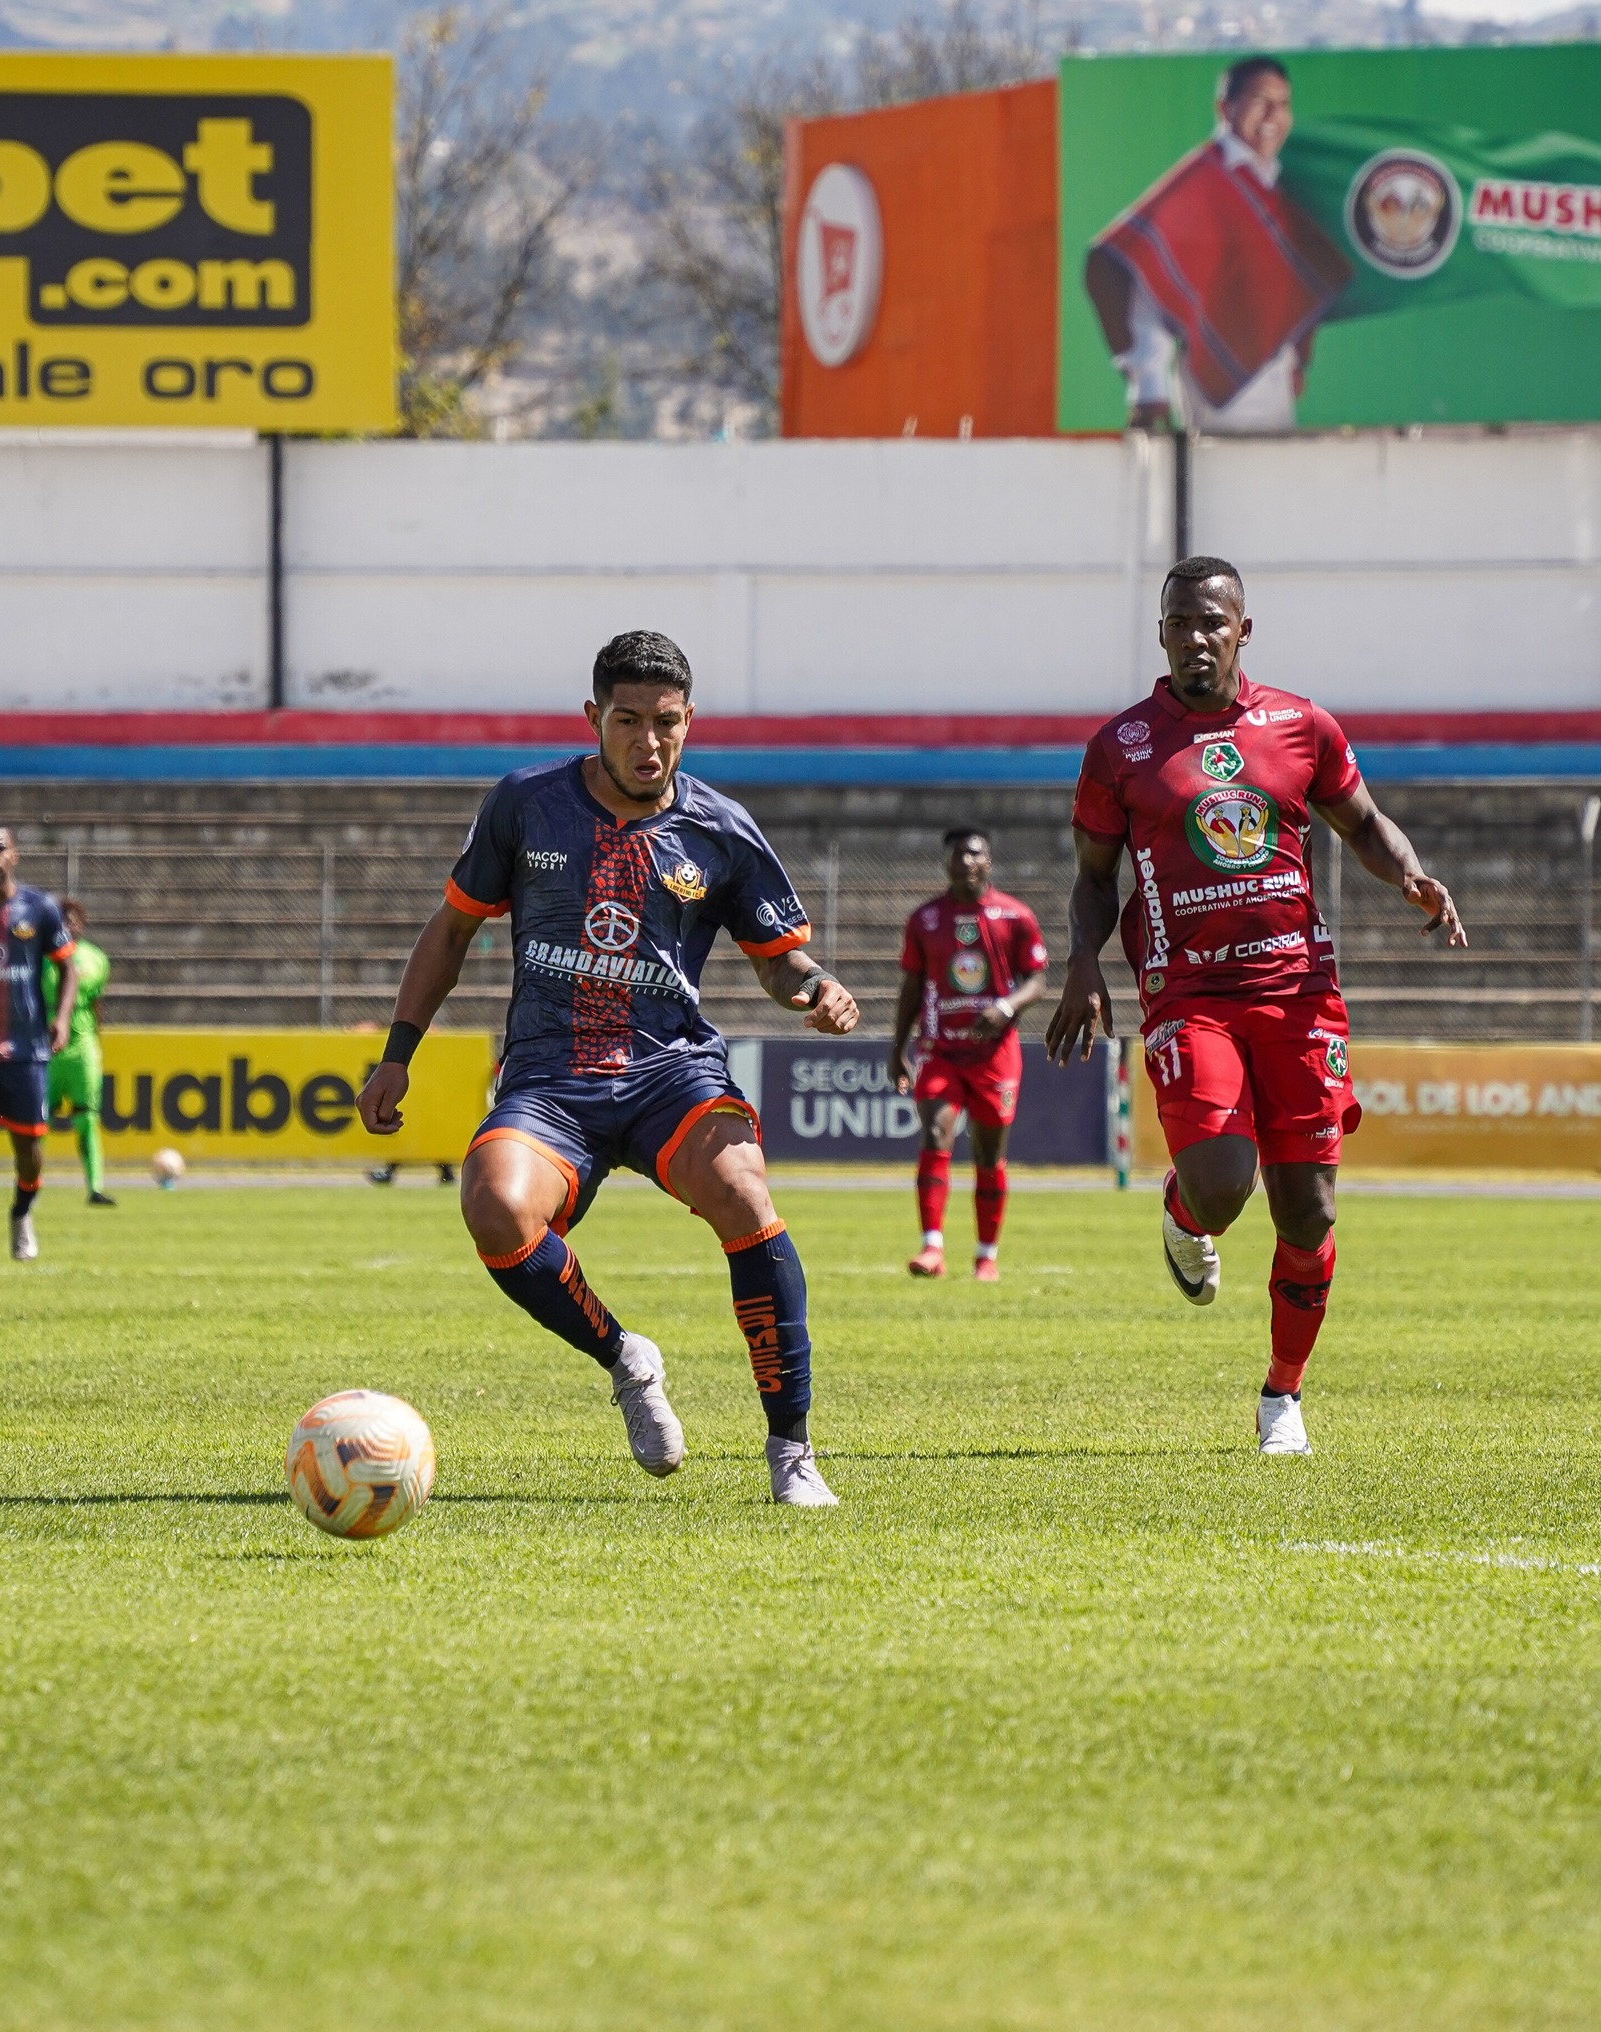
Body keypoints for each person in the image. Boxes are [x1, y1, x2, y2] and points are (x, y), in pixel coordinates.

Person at [356, 630, 860, 1506]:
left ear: (689, 720)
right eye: (627, 720)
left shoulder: (721, 829)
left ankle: (791, 1453)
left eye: (665, 722)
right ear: (593, 718)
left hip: (672, 1073)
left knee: (745, 1194)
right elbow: (452, 930)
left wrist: (815, 988)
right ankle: (625, 1357)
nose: (647, 742)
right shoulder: (526, 804)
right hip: (551, 1079)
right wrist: (398, 1054)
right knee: (494, 1208)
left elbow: (778, 961)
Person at [1046, 556, 1466, 1454]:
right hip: (1187, 993)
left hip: (1297, 992)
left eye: (1212, 622)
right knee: (1222, 1186)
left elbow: (1362, 822)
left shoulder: (1301, 725)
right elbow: (1093, 876)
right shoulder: (1121, 747)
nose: (1194, 638)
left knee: (1307, 1210)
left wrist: (1409, 875)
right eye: (1178, 623)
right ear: (1160, 634)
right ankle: (1183, 1213)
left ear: (1243, 629)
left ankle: (1281, 1395)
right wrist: (1081, 961)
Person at [1084, 57, 1351, 433]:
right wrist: (1149, 390)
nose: (1273, 115)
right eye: (1260, 101)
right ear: (1225, 108)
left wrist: (1293, 355)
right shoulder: (1202, 181)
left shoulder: (1273, 184)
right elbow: (1148, 282)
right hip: (1221, 393)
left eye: (1283, 103)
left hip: (1274, 382)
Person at [889, 828, 1048, 1282]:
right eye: (958, 855)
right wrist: (897, 1047)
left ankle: (986, 1255)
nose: (965, 861)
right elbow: (912, 987)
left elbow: (1037, 980)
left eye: (974, 854)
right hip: (939, 1048)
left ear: (988, 862)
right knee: (935, 1132)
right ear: (947, 863)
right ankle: (932, 1247)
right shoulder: (926, 919)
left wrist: (1006, 1007)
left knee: (988, 1154)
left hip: (994, 1054)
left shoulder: (1014, 916)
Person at [0, 825, 76, 1264]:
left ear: (15, 856)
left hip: (26, 1047)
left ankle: (21, 1213)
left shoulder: (39, 908)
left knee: (28, 1148)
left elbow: (68, 969)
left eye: (0, 847)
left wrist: (61, 1018)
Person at [43, 897, 115, 1208]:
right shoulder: (41, 958)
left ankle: (95, 1188)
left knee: (86, 1118)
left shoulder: (96, 959)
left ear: (82, 925)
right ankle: (30, 1186)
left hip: (82, 1046)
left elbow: (97, 1003)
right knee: (37, 1122)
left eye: (74, 920)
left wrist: (96, 1040)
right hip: (46, 1047)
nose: (69, 926)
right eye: (63, 920)